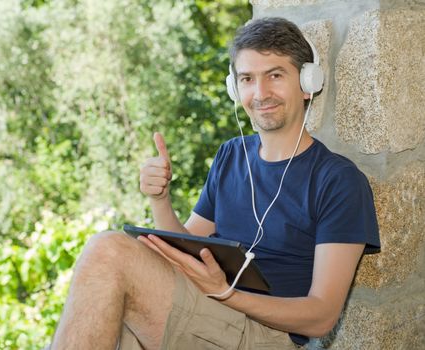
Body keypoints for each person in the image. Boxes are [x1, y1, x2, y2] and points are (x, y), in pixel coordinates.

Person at [50, 17, 380, 349]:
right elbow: (186, 247)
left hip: (268, 337)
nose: (260, 93)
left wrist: (225, 293)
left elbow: (321, 315)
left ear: (308, 82)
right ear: (235, 88)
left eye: (275, 75)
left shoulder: (339, 181)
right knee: (111, 293)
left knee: (108, 252)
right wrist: (160, 198)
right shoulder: (230, 156)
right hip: (211, 312)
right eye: (247, 79)